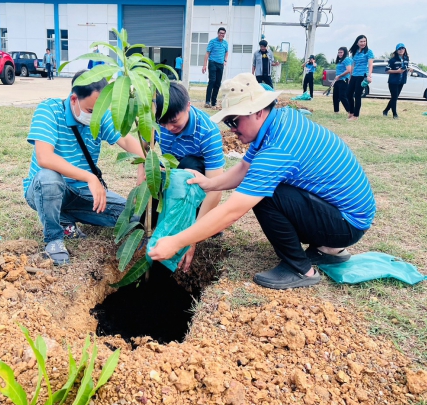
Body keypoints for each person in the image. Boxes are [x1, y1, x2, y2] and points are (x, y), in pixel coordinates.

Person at [148, 73, 376, 290]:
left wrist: (178, 241)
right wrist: (209, 184)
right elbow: (243, 168)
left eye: (234, 121)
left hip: (348, 222)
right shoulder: (278, 121)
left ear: (257, 112)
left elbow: (232, 211)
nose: (232, 130)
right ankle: (328, 250)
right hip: (340, 212)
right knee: (263, 185)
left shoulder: (278, 148)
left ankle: (300, 270)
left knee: (266, 195)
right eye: (228, 123)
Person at [23, 70, 145, 266]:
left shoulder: (100, 116)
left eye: (99, 112)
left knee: (133, 216)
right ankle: (54, 239)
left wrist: (144, 164)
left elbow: (127, 141)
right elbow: (45, 157)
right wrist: (90, 178)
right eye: (90, 111)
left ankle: (65, 216)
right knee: (49, 179)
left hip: (82, 194)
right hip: (46, 190)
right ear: (74, 99)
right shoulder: (49, 110)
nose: (95, 117)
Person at [151, 82, 225, 266]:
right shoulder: (155, 122)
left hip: (194, 183)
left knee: (188, 165)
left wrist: (193, 236)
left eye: (174, 122)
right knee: (155, 168)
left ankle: (201, 220)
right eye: (163, 123)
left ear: (188, 106)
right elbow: (144, 151)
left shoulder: (208, 131)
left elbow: (215, 188)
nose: (169, 128)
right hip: (173, 175)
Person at [347, 35, 374, 120]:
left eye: (364, 41)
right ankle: (351, 112)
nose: (363, 43)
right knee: (348, 94)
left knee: (357, 95)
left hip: (362, 75)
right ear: (357, 43)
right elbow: (353, 65)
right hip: (354, 75)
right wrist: (350, 77)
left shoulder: (369, 52)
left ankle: (356, 116)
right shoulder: (355, 52)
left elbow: (370, 65)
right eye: (361, 41)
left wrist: (369, 75)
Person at [383, 43, 412, 119]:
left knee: (394, 97)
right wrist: (397, 71)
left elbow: (405, 67)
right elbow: (387, 70)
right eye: (399, 49)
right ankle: (394, 114)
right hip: (393, 81)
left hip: (402, 81)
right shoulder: (393, 60)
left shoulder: (406, 59)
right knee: (394, 98)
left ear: (405, 49)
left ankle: (385, 110)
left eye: (402, 48)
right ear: (396, 50)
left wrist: (409, 69)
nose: (401, 50)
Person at [203, 27, 229, 108]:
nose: (222, 34)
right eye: (220, 33)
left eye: (223, 33)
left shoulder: (225, 43)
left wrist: (225, 60)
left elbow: (227, 52)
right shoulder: (212, 42)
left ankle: (213, 102)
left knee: (218, 83)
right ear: (218, 33)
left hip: (220, 64)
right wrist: (204, 65)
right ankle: (207, 101)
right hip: (212, 63)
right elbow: (207, 53)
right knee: (212, 81)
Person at [332, 47, 352, 114]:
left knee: (342, 96)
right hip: (338, 80)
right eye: (339, 52)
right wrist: (335, 79)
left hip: (343, 80)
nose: (339, 54)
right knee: (335, 96)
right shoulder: (340, 61)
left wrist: (340, 76)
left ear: (345, 53)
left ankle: (350, 111)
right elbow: (339, 71)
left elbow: (349, 70)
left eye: (341, 52)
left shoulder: (346, 59)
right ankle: (336, 111)